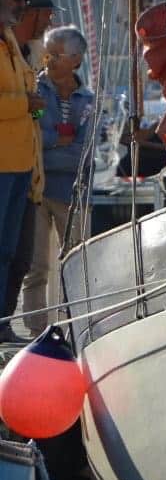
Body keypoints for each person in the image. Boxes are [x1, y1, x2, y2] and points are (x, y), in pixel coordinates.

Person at [24, 26, 93, 324]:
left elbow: (84, 151)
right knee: (35, 265)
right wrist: (57, 140)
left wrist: (49, 146)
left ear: (75, 60)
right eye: (46, 54)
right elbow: (34, 134)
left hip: (73, 193)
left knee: (76, 262)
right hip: (36, 190)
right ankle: (35, 328)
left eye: (54, 55)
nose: (47, 60)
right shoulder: (35, 94)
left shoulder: (87, 101)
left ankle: (73, 323)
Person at [0, 0, 39, 334]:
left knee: (11, 254)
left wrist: (35, 107)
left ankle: (2, 323)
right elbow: (21, 101)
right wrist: (25, 104)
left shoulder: (11, 41)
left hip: (21, 164)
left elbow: (31, 101)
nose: (21, 4)